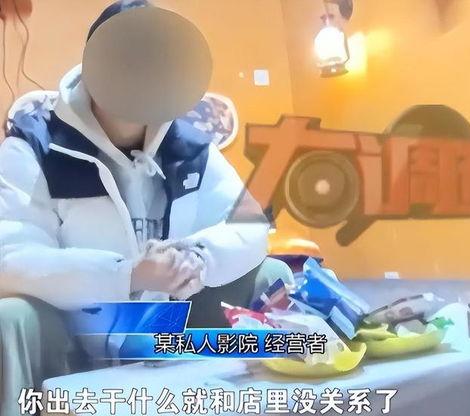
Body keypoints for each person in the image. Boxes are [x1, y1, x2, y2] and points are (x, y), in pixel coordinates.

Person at [0, 2, 288, 414]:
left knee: (272, 274)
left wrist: (196, 259)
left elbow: (249, 224)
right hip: (76, 330)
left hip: (167, 324)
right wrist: (127, 274)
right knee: (9, 316)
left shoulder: (189, 147)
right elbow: (10, 257)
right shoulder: (33, 147)